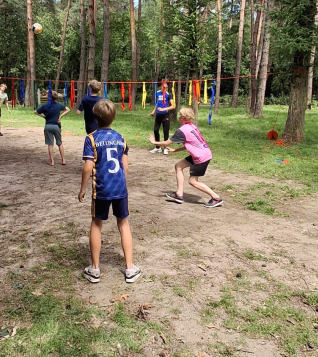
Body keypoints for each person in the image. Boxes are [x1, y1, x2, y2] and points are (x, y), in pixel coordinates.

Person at [78, 99, 141, 284]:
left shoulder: (91, 138)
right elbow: (125, 167)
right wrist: (119, 182)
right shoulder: (121, 138)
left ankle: (95, 269)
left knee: (97, 224)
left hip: (101, 190)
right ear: (113, 117)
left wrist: (82, 188)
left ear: (95, 117)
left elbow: (88, 168)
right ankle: (130, 268)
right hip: (120, 189)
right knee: (123, 224)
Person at [148, 107, 223, 208]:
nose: (179, 116)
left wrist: (154, 142)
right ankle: (179, 195)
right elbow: (191, 144)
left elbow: (166, 142)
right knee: (178, 166)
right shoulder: (192, 126)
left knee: (193, 181)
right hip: (202, 153)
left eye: (180, 115)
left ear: (182, 117)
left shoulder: (182, 130)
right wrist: (175, 150)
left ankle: (216, 198)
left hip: (201, 157)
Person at [35, 91, 71, 166]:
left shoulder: (45, 106)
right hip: (56, 126)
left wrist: (43, 116)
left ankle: (52, 161)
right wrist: (61, 116)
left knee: (50, 144)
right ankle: (63, 160)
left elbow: (36, 112)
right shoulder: (58, 105)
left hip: (48, 126)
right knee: (59, 143)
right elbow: (68, 109)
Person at [150, 76, 175, 155]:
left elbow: (173, 106)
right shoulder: (157, 93)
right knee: (155, 130)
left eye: (166, 85)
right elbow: (157, 104)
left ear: (167, 86)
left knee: (165, 131)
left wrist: (164, 109)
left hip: (165, 115)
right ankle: (158, 147)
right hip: (158, 115)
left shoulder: (169, 94)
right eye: (163, 84)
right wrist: (153, 111)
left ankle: (165, 148)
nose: (164, 86)